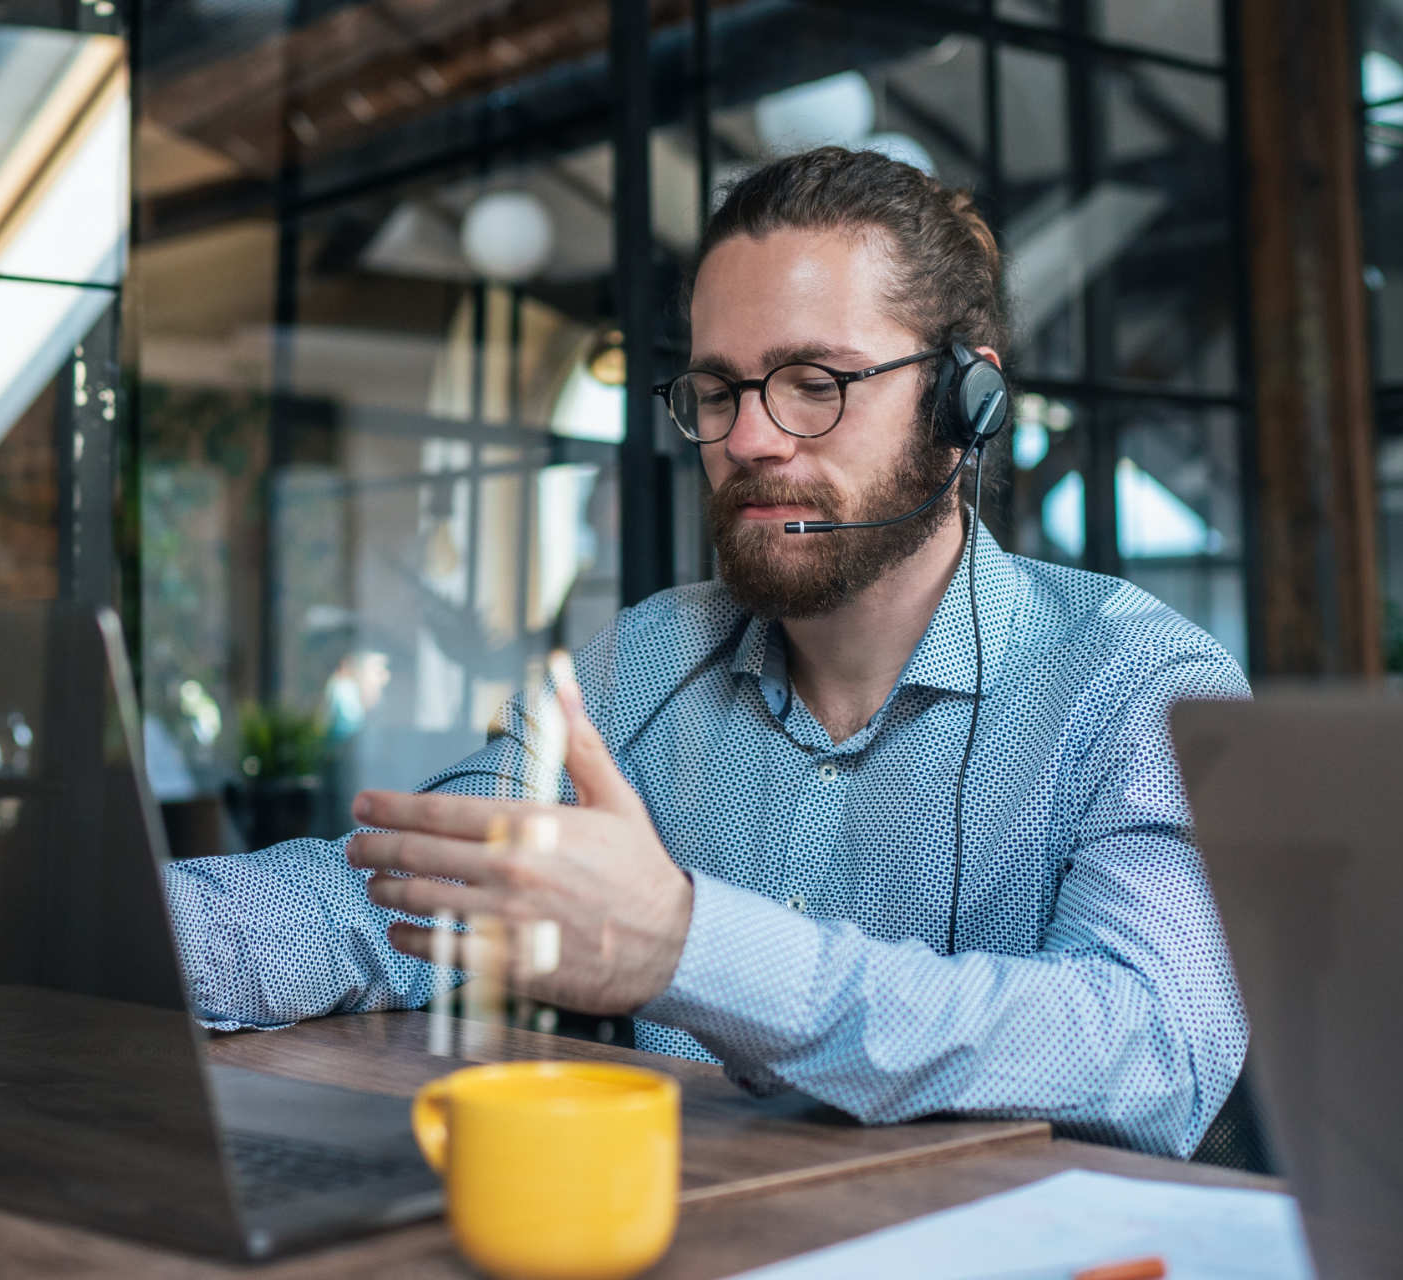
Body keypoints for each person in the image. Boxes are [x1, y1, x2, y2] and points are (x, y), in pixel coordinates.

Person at [162, 148, 1248, 1160]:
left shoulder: (1140, 687)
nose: (749, 439)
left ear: (967, 401)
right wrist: (109, 919)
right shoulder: (649, 657)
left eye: (815, 381)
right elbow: (404, 890)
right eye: (720, 389)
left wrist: (687, 945)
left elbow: (1150, 1046)